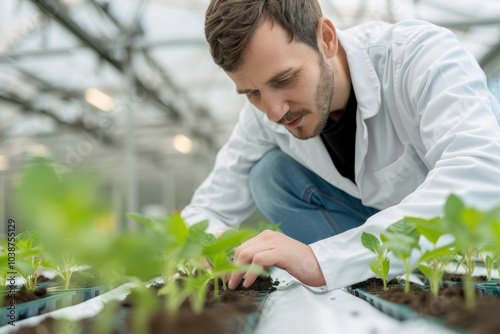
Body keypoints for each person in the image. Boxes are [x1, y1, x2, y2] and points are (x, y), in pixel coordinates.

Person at [181, 0, 500, 290]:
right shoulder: (262, 115)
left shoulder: (417, 56)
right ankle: (364, 273)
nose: (274, 111)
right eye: (252, 92)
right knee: (268, 175)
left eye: (284, 79)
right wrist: (215, 243)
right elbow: (203, 210)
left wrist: (324, 260)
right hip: (365, 243)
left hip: (457, 252)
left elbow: (479, 172)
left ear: (327, 39)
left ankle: (357, 266)